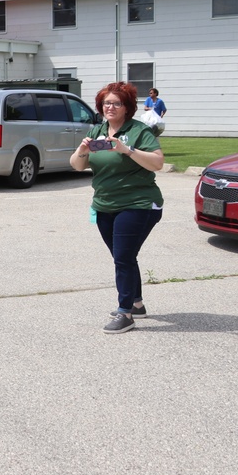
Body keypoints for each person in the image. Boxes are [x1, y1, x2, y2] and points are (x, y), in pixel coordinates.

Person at [69, 81, 165, 334]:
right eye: (106, 103)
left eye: (116, 103)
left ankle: (125, 313)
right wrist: (81, 150)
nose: (110, 107)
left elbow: (157, 163)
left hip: (138, 203)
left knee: (123, 258)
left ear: (127, 107)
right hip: (104, 204)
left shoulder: (138, 131)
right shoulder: (99, 129)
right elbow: (78, 166)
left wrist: (127, 149)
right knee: (123, 257)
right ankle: (137, 303)